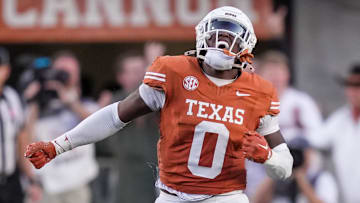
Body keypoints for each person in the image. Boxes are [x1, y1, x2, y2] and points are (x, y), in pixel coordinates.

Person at [25, 7, 293, 203]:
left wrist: (268, 157)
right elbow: (116, 116)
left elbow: (286, 165)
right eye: (215, 34)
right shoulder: (173, 72)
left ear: (246, 46)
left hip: (226, 197)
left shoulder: (258, 91)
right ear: (201, 36)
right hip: (172, 197)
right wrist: (58, 145)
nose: (220, 41)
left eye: (230, 36)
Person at [249, 51, 338, 203]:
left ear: (287, 75)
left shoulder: (301, 102)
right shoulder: (251, 105)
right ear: (260, 76)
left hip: (300, 168)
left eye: (279, 72)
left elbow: (318, 138)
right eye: (271, 73)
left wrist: (295, 144)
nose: (276, 78)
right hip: (264, 168)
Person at [25, 52, 99, 203]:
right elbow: (24, 139)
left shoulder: (86, 105)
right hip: (47, 186)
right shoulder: (38, 108)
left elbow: (97, 126)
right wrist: (34, 101)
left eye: (69, 73)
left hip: (77, 185)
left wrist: (71, 102)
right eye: (61, 72)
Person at [306, 64, 360, 203]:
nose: (353, 91)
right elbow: (313, 139)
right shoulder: (341, 119)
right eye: (350, 85)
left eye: (357, 85)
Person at [0, 47, 41, 203]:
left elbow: (21, 140)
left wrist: (31, 179)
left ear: (7, 70)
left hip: (10, 181)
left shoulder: (12, 98)